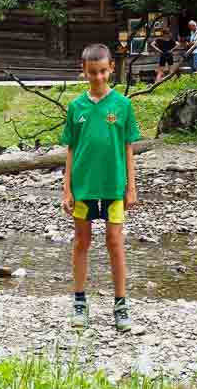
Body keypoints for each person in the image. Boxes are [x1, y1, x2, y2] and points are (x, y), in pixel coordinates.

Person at [60, 43, 140, 332]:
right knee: (81, 242)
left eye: (103, 71)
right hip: (83, 187)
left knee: (115, 242)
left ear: (111, 70)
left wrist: (131, 187)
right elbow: (70, 150)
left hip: (113, 186)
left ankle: (121, 304)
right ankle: (79, 301)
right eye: (92, 72)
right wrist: (66, 189)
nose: (98, 77)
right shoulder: (75, 107)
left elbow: (128, 147)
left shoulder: (123, 105)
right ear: (84, 71)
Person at [149, 17, 178, 83]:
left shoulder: (159, 40)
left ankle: (156, 82)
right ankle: (173, 83)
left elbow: (152, 44)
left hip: (163, 55)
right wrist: (172, 50)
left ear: (163, 33)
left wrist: (158, 50)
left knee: (161, 71)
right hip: (169, 54)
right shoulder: (171, 40)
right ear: (168, 33)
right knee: (171, 70)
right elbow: (178, 44)